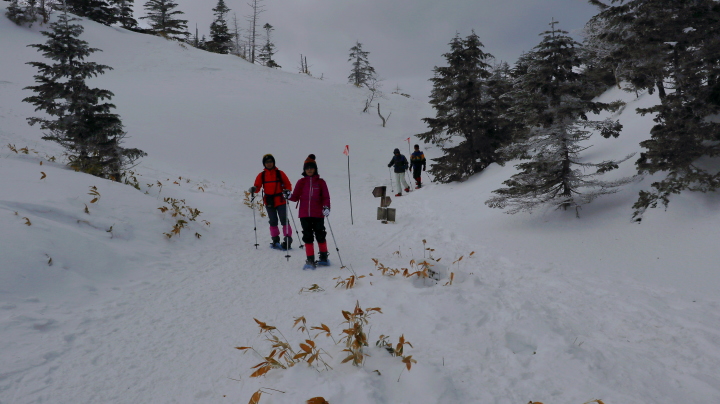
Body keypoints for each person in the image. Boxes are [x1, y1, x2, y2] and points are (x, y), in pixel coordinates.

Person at [288, 154, 331, 269]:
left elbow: (326, 197)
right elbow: (295, 197)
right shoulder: (301, 182)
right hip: (304, 214)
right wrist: (288, 195)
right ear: (304, 170)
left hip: (318, 214)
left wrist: (326, 207)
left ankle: (323, 257)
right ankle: (310, 260)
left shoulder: (321, 182)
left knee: (320, 235)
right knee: (307, 236)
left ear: (315, 169)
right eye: (307, 168)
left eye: (312, 168)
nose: (309, 170)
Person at [249, 154, 293, 250]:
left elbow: (288, 184)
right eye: (267, 162)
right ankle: (275, 240)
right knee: (273, 221)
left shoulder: (280, 173)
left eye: (270, 161)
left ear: (273, 162)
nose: (269, 164)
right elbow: (257, 186)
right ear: (264, 164)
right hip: (269, 201)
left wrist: (287, 190)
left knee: (284, 220)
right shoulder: (262, 175)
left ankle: (288, 239)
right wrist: (253, 189)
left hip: (280, 200)